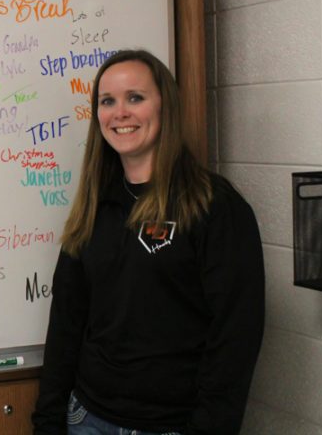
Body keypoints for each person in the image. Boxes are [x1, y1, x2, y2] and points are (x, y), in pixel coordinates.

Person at [32, 49, 264, 435]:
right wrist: (48, 421)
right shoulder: (95, 205)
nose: (119, 112)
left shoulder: (214, 206)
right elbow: (66, 322)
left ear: (165, 106)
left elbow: (236, 337)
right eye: (108, 101)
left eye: (135, 98)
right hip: (87, 419)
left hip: (171, 425)